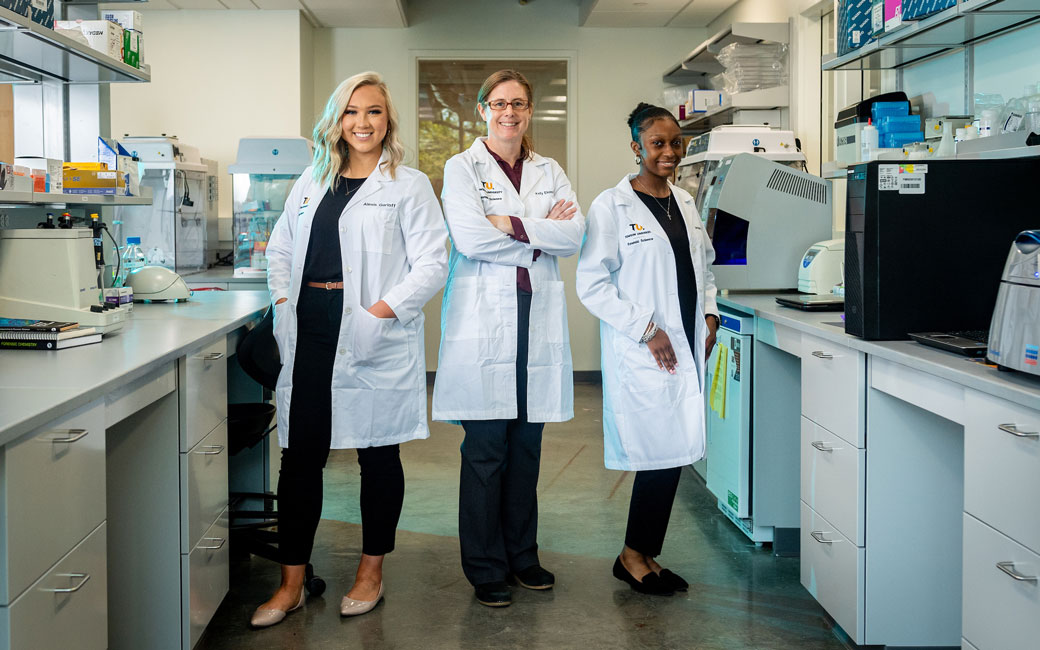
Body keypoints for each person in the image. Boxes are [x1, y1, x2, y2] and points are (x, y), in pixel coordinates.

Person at [256, 71, 448, 626]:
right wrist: (286, 302)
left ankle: (370, 573)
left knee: (377, 452)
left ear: (389, 122)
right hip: (311, 326)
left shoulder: (407, 185)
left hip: (371, 329)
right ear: (336, 121)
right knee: (300, 458)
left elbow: (433, 262)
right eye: (351, 112)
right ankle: (290, 582)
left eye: (374, 113)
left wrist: (379, 314)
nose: (362, 123)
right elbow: (281, 249)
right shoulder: (312, 179)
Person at [432, 69, 585, 607]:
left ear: (529, 111)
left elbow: (575, 233)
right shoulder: (462, 167)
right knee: (486, 447)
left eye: (518, 103)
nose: (509, 113)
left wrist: (512, 224)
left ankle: (523, 555)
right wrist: (539, 232)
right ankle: (485, 566)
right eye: (498, 103)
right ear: (482, 110)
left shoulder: (549, 169)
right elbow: (471, 238)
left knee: (527, 445)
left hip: (535, 315)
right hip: (484, 318)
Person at [576, 102, 720, 596]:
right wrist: (646, 329)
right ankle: (632, 555)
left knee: (673, 452)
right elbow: (592, 285)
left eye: (675, 143)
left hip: (686, 342)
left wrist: (711, 313)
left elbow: (705, 269)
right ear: (636, 147)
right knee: (658, 453)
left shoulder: (684, 201)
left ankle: (644, 554)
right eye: (657, 143)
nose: (668, 152)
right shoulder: (610, 206)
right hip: (648, 348)